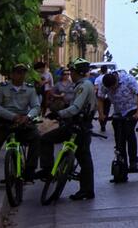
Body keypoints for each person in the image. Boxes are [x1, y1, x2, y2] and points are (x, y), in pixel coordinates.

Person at [40, 58, 97, 200]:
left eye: (72, 70)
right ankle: (87, 189)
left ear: (78, 72)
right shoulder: (82, 85)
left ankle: (48, 171)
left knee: (46, 140)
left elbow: (76, 107)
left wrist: (58, 114)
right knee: (84, 158)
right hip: (79, 124)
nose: (70, 73)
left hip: (79, 126)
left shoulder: (84, 86)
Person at [0, 64, 40, 182]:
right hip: (3, 120)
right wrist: (13, 116)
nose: (21, 75)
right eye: (18, 73)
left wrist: (29, 116)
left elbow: (36, 106)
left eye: (23, 73)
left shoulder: (30, 89)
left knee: (36, 137)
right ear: (12, 75)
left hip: (23, 120)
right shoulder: (3, 88)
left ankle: (29, 172)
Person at [98, 70, 138, 180]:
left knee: (128, 131)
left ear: (117, 81)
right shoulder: (104, 84)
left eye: (113, 87)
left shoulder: (128, 79)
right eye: (110, 89)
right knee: (119, 138)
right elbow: (100, 98)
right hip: (118, 111)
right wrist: (101, 114)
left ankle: (133, 160)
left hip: (131, 109)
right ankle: (122, 165)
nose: (111, 90)